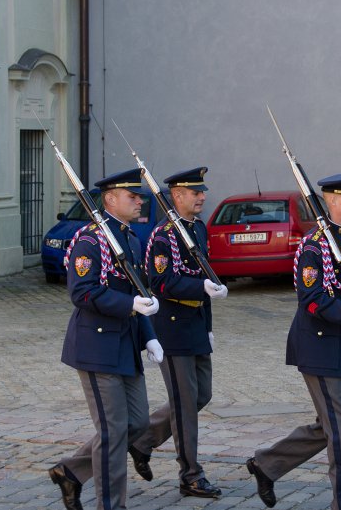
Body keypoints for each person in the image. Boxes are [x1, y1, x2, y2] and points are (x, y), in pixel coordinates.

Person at [246, 173, 341, 510]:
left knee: (328, 426)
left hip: (339, 343)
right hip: (318, 345)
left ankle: (267, 464)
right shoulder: (313, 246)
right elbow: (311, 300)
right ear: (332, 201)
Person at [48, 168, 165, 510]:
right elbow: (82, 292)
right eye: (133, 196)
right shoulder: (90, 239)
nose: (139, 200)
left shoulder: (130, 238)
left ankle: (70, 471)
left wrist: (149, 337)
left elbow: (137, 292)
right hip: (97, 347)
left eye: (140, 195)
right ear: (111, 199)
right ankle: (111, 505)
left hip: (126, 345)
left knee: (139, 423)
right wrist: (130, 304)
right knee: (113, 431)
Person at [128, 167, 229, 498]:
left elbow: (205, 273)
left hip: (196, 326)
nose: (201, 197)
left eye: (202, 191)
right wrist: (202, 287)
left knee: (202, 395)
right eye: (194, 192)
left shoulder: (197, 229)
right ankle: (191, 475)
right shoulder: (163, 235)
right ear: (176, 196)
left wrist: (210, 324)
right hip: (172, 329)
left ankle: (143, 441)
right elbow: (162, 282)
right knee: (185, 404)